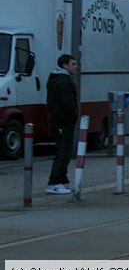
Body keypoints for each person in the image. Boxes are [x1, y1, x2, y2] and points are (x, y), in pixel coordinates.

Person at [46, 54, 79, 195]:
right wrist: (73, 117)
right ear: (64, 65)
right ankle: (53, 182)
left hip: (60, 120)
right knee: (62, 151)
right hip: (62, 121)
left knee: (65, 151)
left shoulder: (58, 79)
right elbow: (67, 102)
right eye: (73, 64)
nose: (76, 66)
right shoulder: (63, 81)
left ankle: (63, 180)